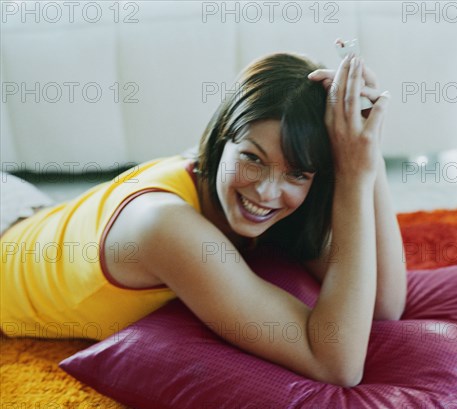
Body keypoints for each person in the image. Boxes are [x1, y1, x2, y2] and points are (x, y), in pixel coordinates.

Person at [0, 51, 406, 387]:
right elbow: (336, 365)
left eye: (297, 172)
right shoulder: (164, 226)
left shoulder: (250, 194)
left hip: (32, 211)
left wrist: (367, 156)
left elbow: (384, 304)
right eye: (252, 158)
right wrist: (354, 178)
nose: (266, 192)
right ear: (221, 136)